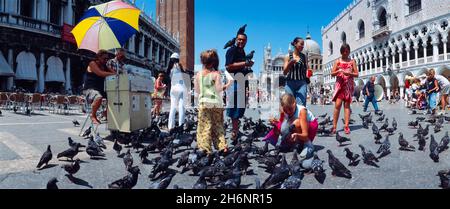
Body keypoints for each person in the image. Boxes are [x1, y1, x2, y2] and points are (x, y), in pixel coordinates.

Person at [195, 49, 231, 154]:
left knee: (205, 126)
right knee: (218, 125)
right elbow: (219, 89)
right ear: (214, 62)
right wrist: (227, 85)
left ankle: (205, 149)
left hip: (204, 103)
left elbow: (197, 90)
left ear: (202, 61)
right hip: (216, 103)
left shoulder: (198, 75)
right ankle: (222, 146)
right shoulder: (216, 74)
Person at [225, 32, 254, 143]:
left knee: (240, 107)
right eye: (239, 39)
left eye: (243, 40)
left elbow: (242, 70)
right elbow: (228, 66)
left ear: (246, 41)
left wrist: (247, 87)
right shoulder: (232, 50)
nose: (241, 41)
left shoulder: (243, 52)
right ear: (236, 39)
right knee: (235, 107)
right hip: (234, 81)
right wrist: (245, 64)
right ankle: (235, 131)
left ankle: (236, 129)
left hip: (241, 81)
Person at [330, 43, 359, 134]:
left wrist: (349, 74)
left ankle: (346, 126)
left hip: (348, 86)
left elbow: (357, 74)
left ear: (349, 51)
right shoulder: (337, 61)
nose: (346, 53)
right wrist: (338, 71)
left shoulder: (352, 61)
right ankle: (334, 126)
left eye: (347, 51)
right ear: (341, 52)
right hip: (340, 86)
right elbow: (332, 73)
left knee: (347, 106)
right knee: (337, 105)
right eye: (344, 52)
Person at [83, 50, 116, 124]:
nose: (106, 60)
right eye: (104, 58)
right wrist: (112, 74)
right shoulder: (92, 63)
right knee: (98, 97)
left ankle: (105, 113)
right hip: (90, 89)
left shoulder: (104, 66)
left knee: (114, 97)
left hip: (100, 89)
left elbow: (114, 73)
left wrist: (109, 68)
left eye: (107, 59)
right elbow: (100, 73)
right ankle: (93, 115)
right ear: (98, 57)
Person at [283, 37, 309, 106]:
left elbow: (307, 68)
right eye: (301, 44)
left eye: (303, 45)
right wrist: (290, 64)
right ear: (295, 44)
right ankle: (292, 117)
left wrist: (309, 73)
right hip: (290, 83)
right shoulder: (288, 56)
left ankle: (300, 116)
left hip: (302, 83)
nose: (302, 46)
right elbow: (284, 72)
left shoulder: (304, 57)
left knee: (301, 104)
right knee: (290, 104)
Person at [167, 53, 188, 130]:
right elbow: (185, 75)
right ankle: (181, 126)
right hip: (181, 88)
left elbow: (169, 80)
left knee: (173, 107)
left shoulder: (169, 68)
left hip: (173, 89)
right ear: (178, 59)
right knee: (181, 107)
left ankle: (170, 126)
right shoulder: (179, 66)